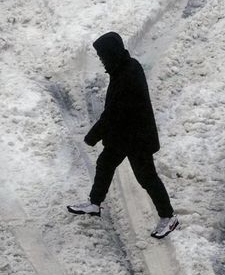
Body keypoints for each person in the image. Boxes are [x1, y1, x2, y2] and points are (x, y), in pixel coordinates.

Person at [67, 31, 179, 239]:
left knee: (146, 177)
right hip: (124, 135)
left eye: (102, 56)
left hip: (137, 138)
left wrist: (93, 135)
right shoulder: (122, 68)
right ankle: (94, 203)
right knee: (105, 164)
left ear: (112, 53)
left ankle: (169, 217)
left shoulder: (128, 73)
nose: (101, 61)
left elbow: (114, 112)